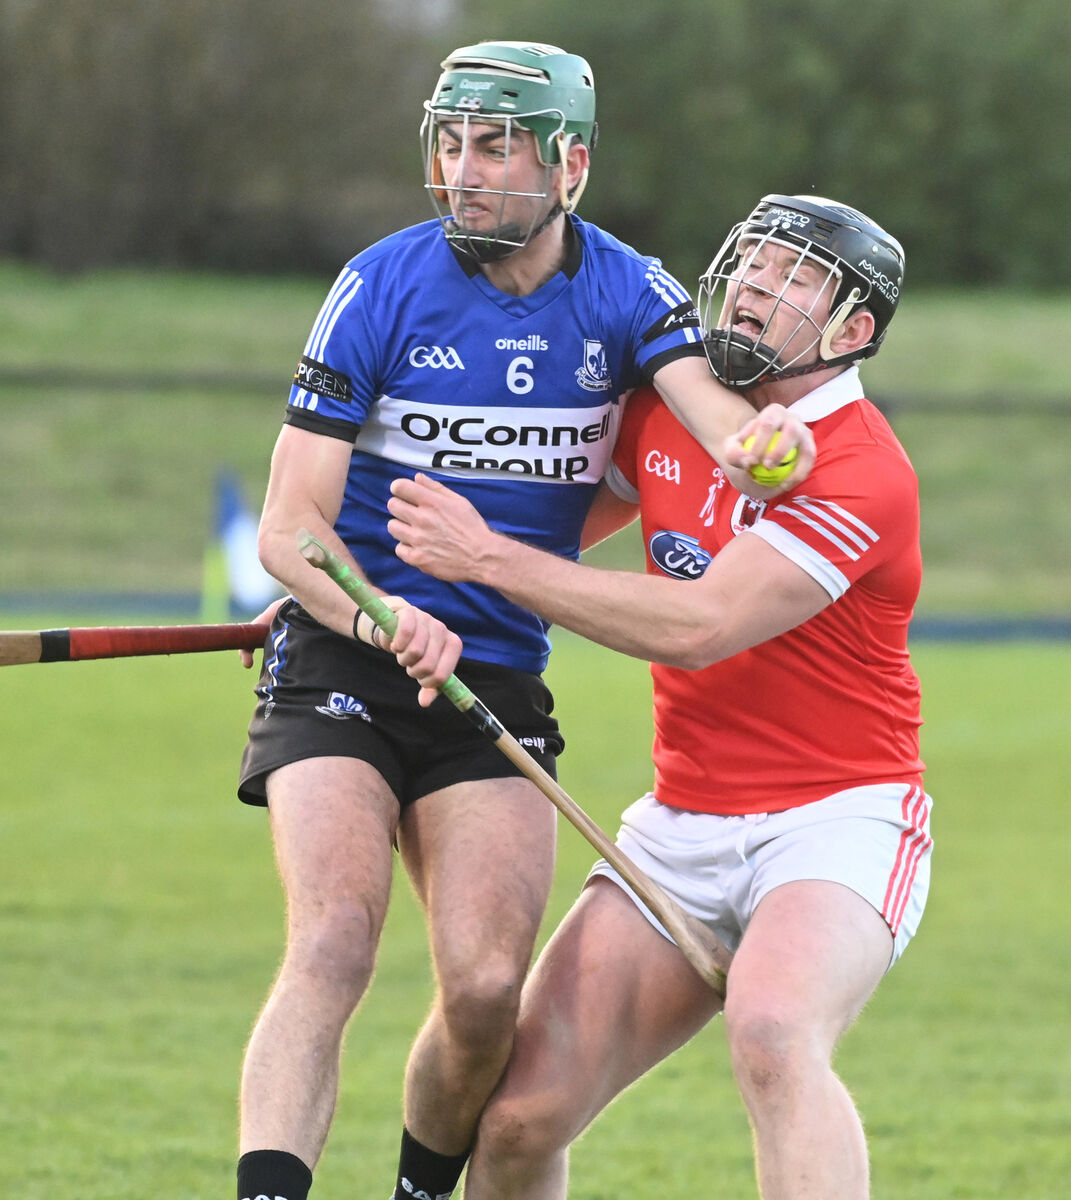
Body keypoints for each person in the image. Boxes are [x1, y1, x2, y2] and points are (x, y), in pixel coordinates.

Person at [233, 40, 814, 1200]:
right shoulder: (379, 285)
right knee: (335, 941)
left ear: (570, 166)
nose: (466, 171)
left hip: (490, 678)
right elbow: (288, 528)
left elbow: (706, 412)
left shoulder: (624, 290)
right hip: (342, 658)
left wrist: (761, 448)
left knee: (490, 990)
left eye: (496, 145)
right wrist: (382, 608)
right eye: (451, 143)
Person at [385, 193, 932, 1199]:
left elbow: (701, 623)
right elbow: (546, 538)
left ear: (855, 332)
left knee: (773, 1031)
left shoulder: (862, 473)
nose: (763, 285)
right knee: (517, 1121)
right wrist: (372, 606)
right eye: (757, 261)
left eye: (799, 277)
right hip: (681, 828)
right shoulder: (661, 413)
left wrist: (486, 556)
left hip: (838, 820)